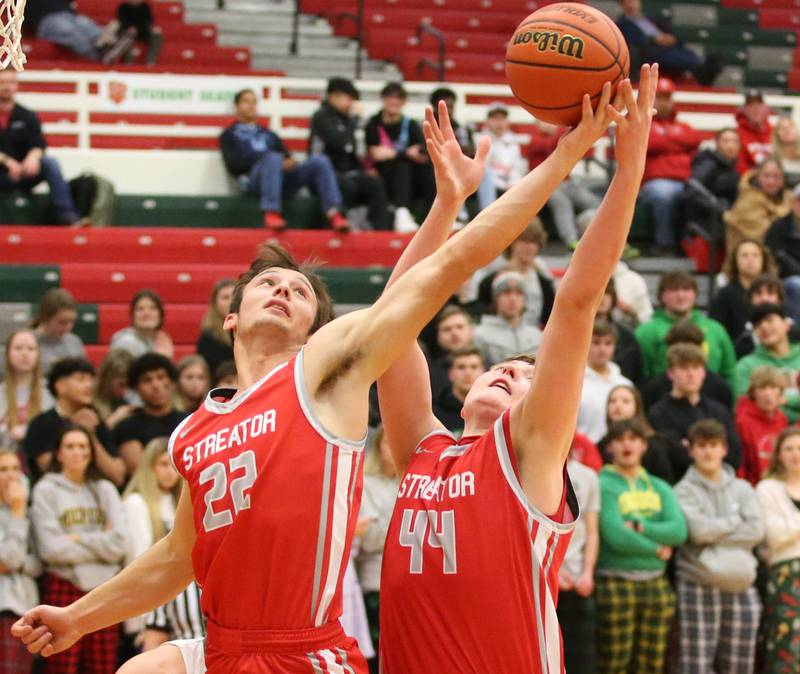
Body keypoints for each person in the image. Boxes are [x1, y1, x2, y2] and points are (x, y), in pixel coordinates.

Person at [10, 73, 618, 674]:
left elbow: (446, 267)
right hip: (222, 648)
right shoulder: (193, 430)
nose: (281, 289)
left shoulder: (322, 374)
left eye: (299, 291)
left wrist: (554, 159)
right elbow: (178, 555)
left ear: (316, 327)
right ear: (230, 316)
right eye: (266, 283)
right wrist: (81, 618)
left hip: (303, 651)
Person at [375, 68, 660, 673]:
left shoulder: (529, 450)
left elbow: (577, 299)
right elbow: (391, 321)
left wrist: (629, 170)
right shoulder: (421, 451)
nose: (508, 370)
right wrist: (447, 204)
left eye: (525, 375)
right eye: (501, 364)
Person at [30, 425, 127, 674]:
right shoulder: (46, 490)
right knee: (62, 665)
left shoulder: (105, 489)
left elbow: (118, 544)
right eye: (70, 446)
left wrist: (75, 538)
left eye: (83, 446)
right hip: (64, 585)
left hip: (104, 589)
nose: (77, 452)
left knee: (103, 668)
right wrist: (99, 540)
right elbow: (51, 550)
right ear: (59, 453)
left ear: (91, 453)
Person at [595, 419, 688, 674]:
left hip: (657, 584)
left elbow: (678, 531)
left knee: (652, 664)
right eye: (620, 439)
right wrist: (656, 549)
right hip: (615, 581)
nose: (627, 444)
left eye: (633, 439)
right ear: (610, 447)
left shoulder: (660, 487)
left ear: (644, 446)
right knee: (614, 663)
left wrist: (639, 527)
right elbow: (614, 535)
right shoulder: (602, 484)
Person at [673, 419, 764, 674]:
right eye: (701, 446)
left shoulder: (743, 488)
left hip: (742, 585)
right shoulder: (682, 490)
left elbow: (756, 531)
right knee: (696, 664)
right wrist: (736, 520)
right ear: (690, 450)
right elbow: (699, 532)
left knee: (740, 665)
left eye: (713, 445)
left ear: (724, 448)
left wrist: (716, 528)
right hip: (698, 583)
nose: (708, 452)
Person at [220, 89, 350, 232]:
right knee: (272, 157)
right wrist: (266, 158)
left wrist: (289, 162)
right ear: (237, 106)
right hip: (254, 180)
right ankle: (271, 213)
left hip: (281, 178)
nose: (251, 106)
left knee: (319, 161)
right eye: (246, 102)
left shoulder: (268, 133)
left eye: (254, 102)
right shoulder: (229, 135)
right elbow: (234, 165)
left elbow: (286, 155)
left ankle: (334, 213)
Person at [122, 439, 203, 652]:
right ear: (149, 468)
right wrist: (143, 623)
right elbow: (138, 560)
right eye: (163, 464)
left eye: (173, 465)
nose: (170, 472)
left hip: (174, 594)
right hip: (145, 603)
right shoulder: (136, 503)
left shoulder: (181, 500)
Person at [0, 71, 85, 226]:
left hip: (24, 172)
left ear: (16, 86)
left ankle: (67, 216)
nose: (7, 87)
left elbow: (39, 144)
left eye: (11, 82)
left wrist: (32, 158)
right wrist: (6, 161)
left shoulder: (27, 115)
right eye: (3, 82)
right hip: (2, 173)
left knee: (50, 163)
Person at [23, 358, 124, 486]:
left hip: (93, 495)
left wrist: (90, 435)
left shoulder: (95, 421)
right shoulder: (42, 423)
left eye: (91, 379)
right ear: (60, 386)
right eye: (81, 379)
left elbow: (118, 476)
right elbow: (49, 470)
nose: (89, 385)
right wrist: (77, 430)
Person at [648, 343, 742, 480]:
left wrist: (689, 447)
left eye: (696, 367)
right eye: (684, 368)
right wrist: (714, 452)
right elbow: (674, 459)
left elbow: (735, 455)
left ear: (704, 373)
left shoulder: (719, 411)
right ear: (670, 373)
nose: (691, 374)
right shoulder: (658, 413)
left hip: (722, 482)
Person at [309, 78, 390, 231]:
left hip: (347, 171)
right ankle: (333, 230)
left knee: (374, 183)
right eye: (349, 98)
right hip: (323, 173)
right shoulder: (321, 117)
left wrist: (365, 170)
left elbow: (353, 151)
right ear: (333, 96)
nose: (351, 103)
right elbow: (339, 142)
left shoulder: (347, 120)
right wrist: (354, 120)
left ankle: (380, 230)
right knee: (346, 185)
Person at [638, 76, 704, 253]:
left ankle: (690, 245)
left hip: (686, 180)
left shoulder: (683, 125)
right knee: (664, 194)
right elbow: (649, 143)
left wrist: (666, 139)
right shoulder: (641, 123)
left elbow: (695, 139)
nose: (664, 102)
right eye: (659, 97)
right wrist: (678, 142)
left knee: (702, 195)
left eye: (667, 98)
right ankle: (664, 243)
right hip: (654, 183)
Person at [635, 270, 736, 383]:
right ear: (662, 296)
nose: (680, 295)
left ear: (695, 294)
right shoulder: (646, 332)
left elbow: (729, 372)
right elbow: (641, 374)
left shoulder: (716, 329)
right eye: (673, 290)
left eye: (686, 289)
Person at [755, 427, 800, 673]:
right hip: (786, 573)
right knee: (786, 644)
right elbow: (774, 537)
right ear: (779, 455)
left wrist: (791, 526)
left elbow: (786, 531)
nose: (796, 454)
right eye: (789, 449)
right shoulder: (767, 488)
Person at [365, 82, 434, 232]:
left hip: (409, 174)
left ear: (403, 102)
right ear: (382, 99)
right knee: (402, 166)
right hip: (382, 173)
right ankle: (401, 214)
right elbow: (376, 154)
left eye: (398, 98)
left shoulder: (410, 124)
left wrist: (392, 153)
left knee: (428, 169)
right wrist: (405, 153)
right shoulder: (373, 123)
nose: (394, 101)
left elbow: (422, 152)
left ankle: (436, 218)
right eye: (390, 97)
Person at [356, 428, 398, 673]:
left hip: (408, 583)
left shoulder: (410, 479)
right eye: (386, 444)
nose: (391, 451)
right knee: (379, 658)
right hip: (375, 584)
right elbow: (368, 538)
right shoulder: (366, 483)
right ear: (378, 448)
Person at [468, 219, 556, 328]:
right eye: (524, 241)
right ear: (512, 242)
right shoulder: (489, 282)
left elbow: (549, 317)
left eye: (534, 242)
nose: (530, 247)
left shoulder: (544, 283)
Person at [557, 455, 600, 674]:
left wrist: (588, 573)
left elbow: (592, 531)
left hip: (579, 581)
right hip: (545, 582)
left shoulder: (587, 475)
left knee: (582, 661)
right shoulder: (528, 467)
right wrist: (553, 570)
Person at [527, 121, 600, 249]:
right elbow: (552, 147)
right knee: (561, 202)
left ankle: (597, 232)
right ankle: (571, 240)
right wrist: (567, 130)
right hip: (544, 185)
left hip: (566, 182)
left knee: (593, 201)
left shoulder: (558, 137)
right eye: (543, 122)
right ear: (537, 125)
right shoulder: (535, 139)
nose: (549, 124)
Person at [0, 448, 40, 674]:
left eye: (15, 469)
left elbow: (40, 562)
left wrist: (16, 564)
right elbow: (10, 557)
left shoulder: (28, 511)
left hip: (25, 607)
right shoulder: (20, 510)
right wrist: (17, 511)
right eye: (3, 469)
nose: (11, 475)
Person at [113, 353, 187, 474]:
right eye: (147, 380)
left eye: (161, 377)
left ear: (172, 382)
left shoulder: (188, 421)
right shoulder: (127, 427)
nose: (156, 385)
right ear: (136, 388)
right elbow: (139, 471)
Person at [616, 0, 720, 84]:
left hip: (669, 46)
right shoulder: (623, 24)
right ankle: (699, 65)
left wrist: (670, 38)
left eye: (633, 1)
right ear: (622, 5)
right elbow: (630, 40)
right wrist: (654, 39)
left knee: (682, 52)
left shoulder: (651, 19)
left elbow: (669, 32)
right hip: (650, 51)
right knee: (674, 56)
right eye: (627, 2)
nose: (631, 5)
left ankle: (701, 65)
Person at [641, 320, 733, 411]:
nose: (686, 353)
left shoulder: (719, 388)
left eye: (691, 348)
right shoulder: (654, 389)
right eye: (679, 349)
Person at [733, 302, 800, 423]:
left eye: (769, 320)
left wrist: (788, 400)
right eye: (758, 324)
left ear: (786, 324)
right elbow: (748, 409)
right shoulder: (746, 366)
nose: (764, 326)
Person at [605, 383, 675, 483]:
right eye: (612, 401)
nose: (618, 405)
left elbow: (665, 481)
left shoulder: (654, 443)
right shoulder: (601, 443)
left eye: (625, 401)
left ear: (637, 407)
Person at [577, 319, 633, 442]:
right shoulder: (575, 383)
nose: (602, 349)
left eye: (608, 343)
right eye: (596, 343)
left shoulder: (625, 385)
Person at [473, 271, 543, 366]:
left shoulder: (537, 336)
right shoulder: (480, 335)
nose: (513, 298)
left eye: (518, 293)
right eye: (506, 293)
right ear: (496, 299)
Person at [710, 238, 777, 339]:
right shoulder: (725, 295)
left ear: (763, 260)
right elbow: (716, 330)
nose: (750, 260)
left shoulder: (774, 291)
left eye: (755, 255)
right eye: (744, 255)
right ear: (735, 261)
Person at [0, 329, 54, 453]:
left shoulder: (50, 391)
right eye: (18, 348)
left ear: (38, 354)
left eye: (30, 349)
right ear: (7, 353)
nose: (24, 353)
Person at [735, 365, 788, 486]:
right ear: (753, 392)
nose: (767, 394)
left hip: (780, 485)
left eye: (773, 387)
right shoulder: (743, 421)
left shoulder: (781, 418)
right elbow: (741, 464)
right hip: (754, 487)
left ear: (780, 391)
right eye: (762, 388)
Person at [724, 158, 792, 251]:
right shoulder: (747, 202)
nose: (771, 181)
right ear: (757, 177)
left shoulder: (789, 199)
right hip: (749, 260)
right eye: (766, 176)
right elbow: (769, 237)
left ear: (783, 179)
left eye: (776, 176)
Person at [684, 127, 741, 232]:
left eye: (735, 141)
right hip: (705, 220)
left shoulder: (733, 167)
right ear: (717, 143)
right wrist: (721, 210)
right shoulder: (707, 164)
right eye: (726, 141)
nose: (731, 145)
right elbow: (692, 191)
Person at [25, 0, 117, 61]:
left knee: (85, 23)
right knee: (66, 29)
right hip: (44, 20)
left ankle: (109, 42)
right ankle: (97, 55)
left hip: (68, 15)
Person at [476, 102, 525, 211]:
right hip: (490, 185)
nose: (499, 123)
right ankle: (487, 214)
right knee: (486, 175)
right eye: (495, 118)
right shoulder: (481, 138)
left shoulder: (512, 141)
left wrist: (512, 184)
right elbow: (483, 169)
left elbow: (516, 168)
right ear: (488, 121)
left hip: (508, 185)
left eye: (502, 118)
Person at [595, 279, 643, 385]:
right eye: (596, 292)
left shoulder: (627, 337)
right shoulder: (569, 335)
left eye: (607, 292)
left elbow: (637, 375)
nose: (602, 298)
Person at [765, 184, 800, 322]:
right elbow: (774, 253)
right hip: (784, 277)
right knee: (796, 284)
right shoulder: (779, 226)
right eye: (799, 201)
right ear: (793, 202)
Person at [32, 289, 86, 377]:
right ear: (45, 319)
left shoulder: (75, 342)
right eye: (62, 322)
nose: (68, 327)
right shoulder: (28, 342)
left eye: (71, 321)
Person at [431, 346, 485, 434]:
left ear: (483, 372)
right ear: (451, 374)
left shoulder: (493, 411)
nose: (468, 373)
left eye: (474, 367)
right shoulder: (435, 414)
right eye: (461, 367)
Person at [425, 304, 476, 397]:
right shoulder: (428, 375)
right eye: (447, 329)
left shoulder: (491, 368)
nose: (454, 333)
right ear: (438, 337)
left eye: (459, 327)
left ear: (472, 330)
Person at [110, 290, 174, 361]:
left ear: (160, 315)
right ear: (132, 316)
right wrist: (160, 359)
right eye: (140, 309)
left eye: (153, 308)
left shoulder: (160, 340)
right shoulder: (126, 342)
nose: (146, 313)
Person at [196, 279, 235, 376]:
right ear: (215, 303)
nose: (231, 301)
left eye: (235, 296)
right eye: (225, 297)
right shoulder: (208, 338)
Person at [92, 349, 135, 430]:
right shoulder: (87, 399)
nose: (124, 392)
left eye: (128, 386)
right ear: (108, 377)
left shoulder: (123, 401)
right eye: (121, 385)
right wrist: (113, 420)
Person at [113, 0, 163, 65]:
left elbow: (150, 20)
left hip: (143, 31)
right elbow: (121, 21)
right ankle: (129, 61)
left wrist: (152, 28)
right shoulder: (123, 7)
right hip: (128, 31)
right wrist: (129, 27)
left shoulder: (145, 6)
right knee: (126, 36)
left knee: (157, 35)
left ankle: (150, 61)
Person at [736, 89, 773, 175]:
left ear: (766, 108)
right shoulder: (736, 135)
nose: (755, 108)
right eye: (750, 105)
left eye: (759, 104)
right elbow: (739, 167)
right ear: (744, 109)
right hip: (748, 181)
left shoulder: (776, 133)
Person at [772, 115, 800, 186]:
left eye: (790, 127)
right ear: (777, 134)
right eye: (782, 128)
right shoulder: (772, 158)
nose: (787, 131)